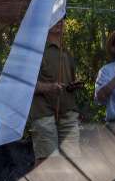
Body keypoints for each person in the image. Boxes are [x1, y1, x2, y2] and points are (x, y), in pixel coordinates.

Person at [27, 20, 81, 165]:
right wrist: (48, 87)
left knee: (72, 161)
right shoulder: (35, 51)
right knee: (46, 163)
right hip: (43, 113)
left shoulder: (67, 52)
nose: (59, 22)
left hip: (68, 113)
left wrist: (72, 86)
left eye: (61, 18)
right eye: (54, 18)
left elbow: (68, 83)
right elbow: (24, 84)